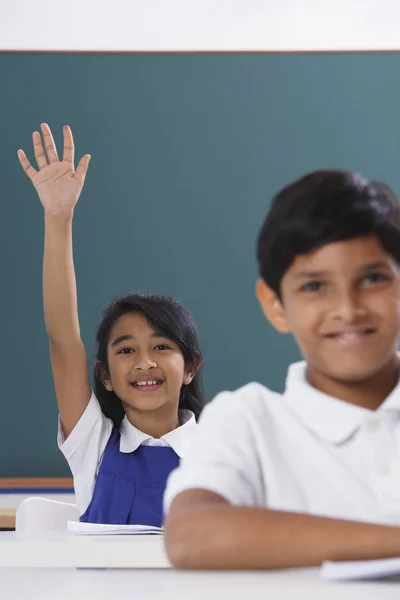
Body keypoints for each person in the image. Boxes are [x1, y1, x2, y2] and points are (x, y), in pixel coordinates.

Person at [164, 169, 400, 568]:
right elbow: (191, 536)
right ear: (275, 305)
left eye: (373, 278)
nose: (348, 308)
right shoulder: (248, 421)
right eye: (314, 286)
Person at [18, 124, 204, 526]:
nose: (144, 362)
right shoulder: (94, 444)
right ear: (104, 375)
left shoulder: (221, 454)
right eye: (125, 350)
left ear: (190, 367)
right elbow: (63, 339)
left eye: (162, 347)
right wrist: (58, 217)